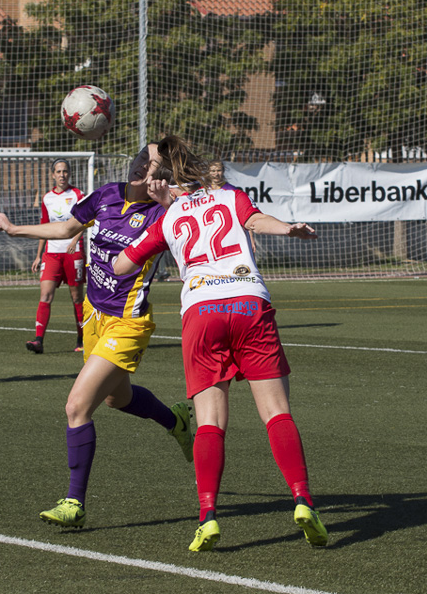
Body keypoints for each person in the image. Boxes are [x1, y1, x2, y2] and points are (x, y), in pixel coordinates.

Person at [0, 137, 197, 528]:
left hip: (128, 323)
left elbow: (194, 208)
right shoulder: (104, 195)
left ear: (162, 177)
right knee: (117, 399)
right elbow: (68, 226)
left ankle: (74, 502)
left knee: (76, 406)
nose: (142, 168)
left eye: (153, 167)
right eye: (141, 159)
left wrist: (169, 195)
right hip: (93, 316)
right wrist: (16, 230)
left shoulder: (163, 214)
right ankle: (176, 422)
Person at [114, 177, 327, 552]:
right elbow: (258, 221)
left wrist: (136, 236)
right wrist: (289, 229)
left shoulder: (169, 217)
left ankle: (208, 516)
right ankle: (303, 501)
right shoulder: (231, 195)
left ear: (178, 189)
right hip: (248, 303)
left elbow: (122, 265)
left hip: (202, 312)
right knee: (277, 412)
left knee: (210, 422)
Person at [26, 159, 86, 354]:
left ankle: (82, 339)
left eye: (65, 171)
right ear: (53, 175)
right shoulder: (47, 198)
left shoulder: (78, 195)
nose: (62, 175)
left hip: (72, 252)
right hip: (51, 254)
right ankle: (38, 340)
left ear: (70, 174)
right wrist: (38, 255)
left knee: (76, 297)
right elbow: (44, 226)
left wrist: (74, 241)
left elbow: (84, 221)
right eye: (59, 172)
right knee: (45, 294)